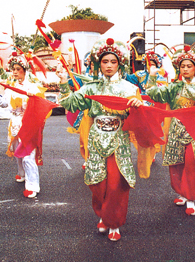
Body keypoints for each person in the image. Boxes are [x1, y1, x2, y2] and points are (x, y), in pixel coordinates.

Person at [57, 38, 143, 241]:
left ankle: (114, 222)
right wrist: (62, 82)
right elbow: (69, 104)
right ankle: (104, 214)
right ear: (99, 64)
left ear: (119, 64)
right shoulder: (91, 88)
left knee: (116, 183)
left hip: (118, 140)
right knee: (98, 184)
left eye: (113, 62)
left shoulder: (130, 89)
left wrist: (138, 107)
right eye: (105, 62)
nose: (109, 66)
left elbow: (139, 119)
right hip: (95, 140)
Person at [146, 45, 195, 216]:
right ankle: (181, 192)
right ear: (178, 68)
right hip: (175, 128)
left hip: (194, 131)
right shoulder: (173, 87)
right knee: (176, 164)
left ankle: (191, 198)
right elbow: (152, 93)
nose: (186, 69)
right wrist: (151, 76)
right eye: (183, 66)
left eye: (189, 66)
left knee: (190, 164)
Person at [0, 51, 49, 198]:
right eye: (13, 69)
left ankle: (33, 185)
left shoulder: (32, 86)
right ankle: (21, 173)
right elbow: (6, 104)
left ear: (25, 70)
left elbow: (39, 102)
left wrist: (32, 98)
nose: (15, 72)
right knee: (17, 151)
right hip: (15, 123)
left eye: (18, 69)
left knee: (28, 155)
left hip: (28, 123)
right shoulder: (11, 86)